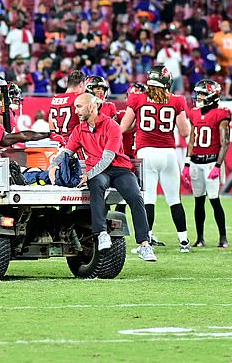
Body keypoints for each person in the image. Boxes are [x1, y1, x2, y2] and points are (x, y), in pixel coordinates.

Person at [48, 93, 157, 261]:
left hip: (119, 168)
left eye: (79, 106)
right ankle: (101, 234)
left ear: (91, 106)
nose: (75, 111)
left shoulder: (112, 126)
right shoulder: (79, 129)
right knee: (97, 185)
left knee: (135, 196)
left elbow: (107, 158)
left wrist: (88, 175)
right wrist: (53, 165)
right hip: (99, 172)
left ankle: (144, 244)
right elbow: (67, 152)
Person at [119, 65, 192, 252]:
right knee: (174, 199)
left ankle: (147, 240)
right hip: (168, 153)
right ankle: (184, 241)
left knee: (148, 199)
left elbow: (123, 127)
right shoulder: (177, 100)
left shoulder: (138, 98)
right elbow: (185, 131)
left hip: (146, 153)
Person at [182, 80, 231, 248]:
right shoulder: (194, 113)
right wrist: (187, 163)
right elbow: (192, 139)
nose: (199, 97)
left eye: (202, 94)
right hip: (196, 161)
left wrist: (218, 165)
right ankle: (200, 238)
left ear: (212, 95)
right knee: (198, 201)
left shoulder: (221, 114)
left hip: (211, 161)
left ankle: (223, 237)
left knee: (214, 200)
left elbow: (225, 142)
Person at [49, 70, 86, 142]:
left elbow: (51, 125)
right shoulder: (79, 98)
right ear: (81, 84)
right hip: (73, 145)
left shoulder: (55, 99)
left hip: (58, 143)